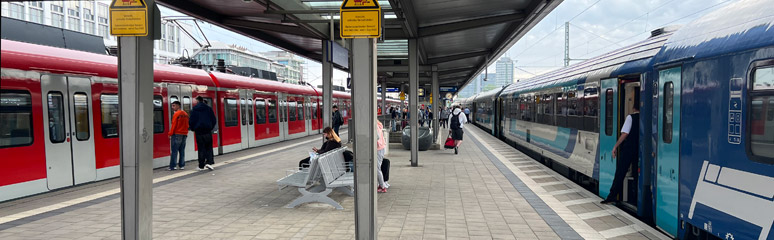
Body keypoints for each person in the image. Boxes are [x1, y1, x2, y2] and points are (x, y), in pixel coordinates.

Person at [601, 103, 640, 205]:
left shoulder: (630, 117)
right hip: (640, 150)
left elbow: (625, 134)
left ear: (633, 107)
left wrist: (615, 146)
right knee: (636, 173)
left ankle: (612, 196)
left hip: (629, 148)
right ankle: (635, 197)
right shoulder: (646, 118)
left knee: (620, 172)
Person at [189, 96, 217, 171]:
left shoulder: (194, 110)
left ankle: (201, 165)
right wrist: (210, 128)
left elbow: (191, 121)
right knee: (209, 147)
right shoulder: (209, 109)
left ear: (197, 101)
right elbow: (214, 120)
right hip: (208, 131)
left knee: (201, 148)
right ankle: (209, 162)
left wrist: (193, 128)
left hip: (199, 132)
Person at [168, 101, 189, 171]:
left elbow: (174, 125)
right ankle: (182, 165)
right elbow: (187, 125)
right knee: (182, 150)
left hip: (177, 134)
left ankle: (173, 166)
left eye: (174, 106)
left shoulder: (176, 114)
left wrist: (170, 133)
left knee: (174, 150)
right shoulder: (186, 114)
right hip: (184, 134)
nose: (172, 107)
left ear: (178, 106)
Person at [376, 120, 390, 193]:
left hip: (378, 148)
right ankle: (381, 185)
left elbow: (376, 137)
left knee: (377, 168)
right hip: (381, 148)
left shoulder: (374, 125)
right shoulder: (378, 124)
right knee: (378, 167)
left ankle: (382, 186)